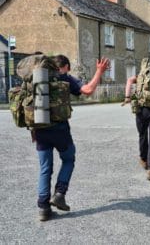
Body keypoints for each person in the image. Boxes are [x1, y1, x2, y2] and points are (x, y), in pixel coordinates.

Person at [33, 54, 110, 221]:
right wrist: (99, 71)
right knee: (69, 159)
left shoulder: (38, 79)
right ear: (66, 66)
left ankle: (43, 208)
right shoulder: (65, 78)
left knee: (45, 168)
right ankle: (60, 193)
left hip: (39, 128)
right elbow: (88, 90)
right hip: (60, 129)